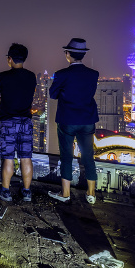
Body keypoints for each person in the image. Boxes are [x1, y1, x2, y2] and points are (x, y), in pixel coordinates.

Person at [48, 38, 99, 204]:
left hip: (67, 120)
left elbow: (53, 94)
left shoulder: (62, 74)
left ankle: (65, 193)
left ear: (68, 54)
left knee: (66, 155)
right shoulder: (93, 74)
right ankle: (91, 193)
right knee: (88, 155)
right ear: (83, 54)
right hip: (87, 119)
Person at [0, 43, 36, 202]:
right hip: (26, 121)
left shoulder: (3, 76)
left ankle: (5, 191)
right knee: (26, 157)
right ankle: (27, 192)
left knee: (8, 157)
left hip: (7, 121)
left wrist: (3, 95)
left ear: (9, 58)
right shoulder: (31, 76)